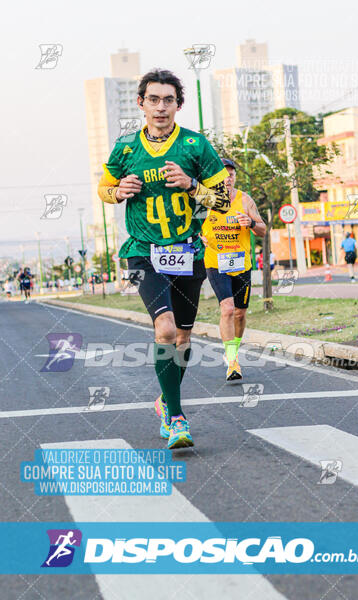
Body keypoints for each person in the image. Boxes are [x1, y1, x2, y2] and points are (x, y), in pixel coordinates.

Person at [98, 69, 230, 448]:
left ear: (178, 104)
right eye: (153, 99)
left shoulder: (195, 145)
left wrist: (192, 185)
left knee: (184, 336)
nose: (160, 107)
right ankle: (176, 418)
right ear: (141, 103)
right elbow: (104, 188)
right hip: (143, 252)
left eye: (168, 100)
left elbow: (222, 199)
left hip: (187, 252)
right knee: (166, 331)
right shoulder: (125, 148)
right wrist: (118, 191)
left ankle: (164, 400)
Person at [201, 158, 266, 381]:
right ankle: (232, 361)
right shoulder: (203, 200)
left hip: (241, 263)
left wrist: (250, 223)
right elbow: (188, 227)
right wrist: (197, 237)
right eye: (223, 175)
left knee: (240, 313)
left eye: (231, 174)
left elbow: (263, 230)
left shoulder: (244, 199)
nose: (228, 179)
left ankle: (233, 350)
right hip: (215, 262)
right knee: (227, 309)